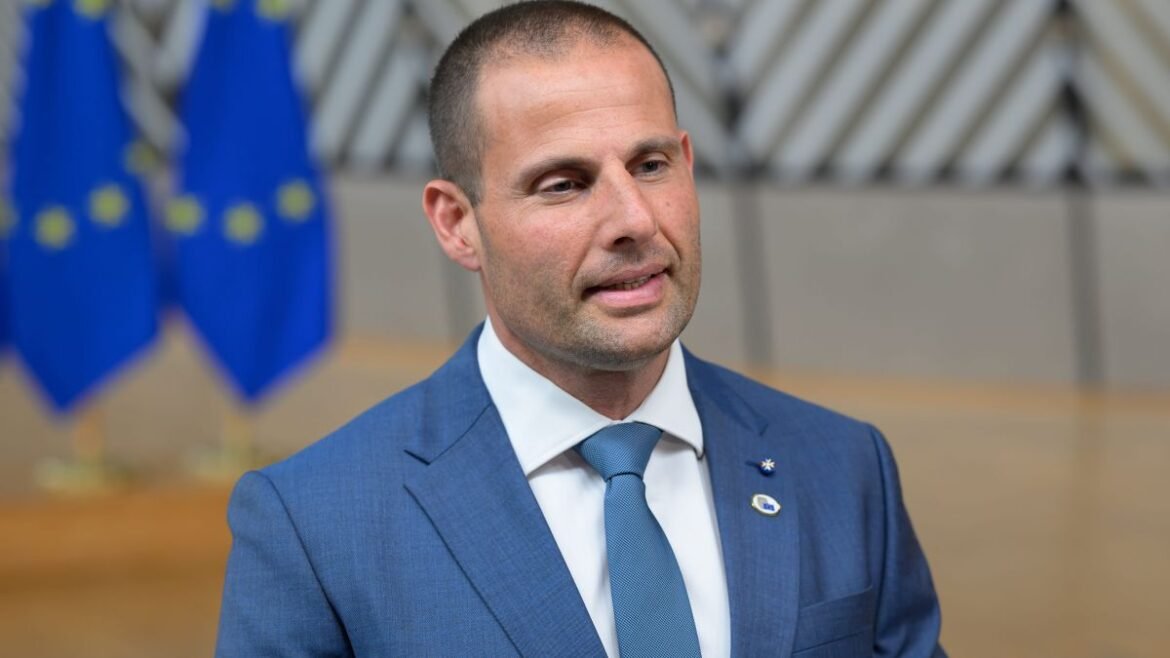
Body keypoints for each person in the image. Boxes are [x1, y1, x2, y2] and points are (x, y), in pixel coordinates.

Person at [215, 2, 945, 656]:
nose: (635, 220)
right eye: (563, 184)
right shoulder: (313, 526)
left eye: (650, 165)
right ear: (458, 222)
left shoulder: (844, 467)